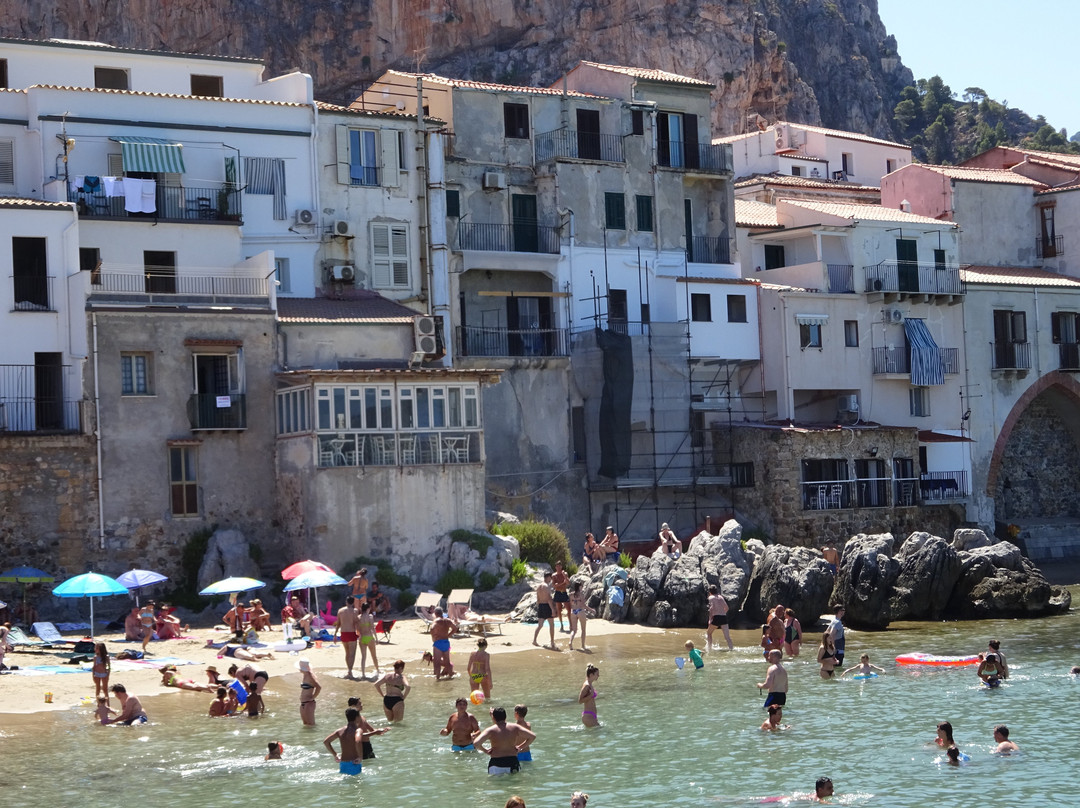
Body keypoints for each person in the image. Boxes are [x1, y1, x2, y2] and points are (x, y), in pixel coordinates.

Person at [473, 705, 536, 775]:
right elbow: (532, 736)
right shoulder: (515, 727)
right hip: (512, 761)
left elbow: (476, 743)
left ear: (493, 717)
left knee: (496, 784)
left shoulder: (490, 730)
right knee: (514, 785)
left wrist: (486, 751)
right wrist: (520, 747)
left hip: (496, 762)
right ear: (505, 717)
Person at [323, 707, 365, 775]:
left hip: (343, 763)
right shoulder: (358, 730)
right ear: (357, 717)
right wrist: (360, 756)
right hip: (354, 762)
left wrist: (335, 754)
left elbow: (326, 742)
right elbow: (358, 741)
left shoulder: (340, 731)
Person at [334, 595, 361, 679]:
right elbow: (356, 622)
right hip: (351, 633)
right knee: (352, 654)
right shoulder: (355, 611)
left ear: (346, 602)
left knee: (347, 653)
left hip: (343, 633)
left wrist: (335, 634)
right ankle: (350, 671)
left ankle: (348, 670)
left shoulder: (340, 611)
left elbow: (338, 623)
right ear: (353, 603)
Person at [532, 572, 557, 650]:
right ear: (548, 577)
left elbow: (538, 599)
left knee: (540, 625)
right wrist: (553, 609)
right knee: (552, 625)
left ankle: (534, 640)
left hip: (541, 606)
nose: (551, 580)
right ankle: (552, 642)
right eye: (551, 578)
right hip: (547, 606)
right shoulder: (546, 586)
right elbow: (549, 599)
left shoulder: (539, 586)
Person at [430, 607, 458, 678]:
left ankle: (438, 678)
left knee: (437, 662)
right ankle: (451, 675)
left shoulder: (436, 620)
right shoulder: (447, 620)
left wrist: (434, 637)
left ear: (435, 614)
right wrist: (448, 635)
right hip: (446, 642)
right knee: (447, 662)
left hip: (438, 642)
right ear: (442, 613)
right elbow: (455, 628)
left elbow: (432, 628)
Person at [357, 600, 380, 679]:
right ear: (368, 609)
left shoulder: (359, 617)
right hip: (369, 637)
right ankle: (378, 670)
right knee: (374, 656)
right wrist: (376, 639)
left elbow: (357, 629)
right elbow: (372, 628)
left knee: (363, 657)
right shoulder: (370, 617)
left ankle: (363, 674)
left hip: (362, 637)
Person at [567, 579, 593, 652]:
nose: (582, 587)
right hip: (580, 611)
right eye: (582, 586)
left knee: (574, 630)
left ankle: (570, 642)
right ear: (579, 587)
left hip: (573, 612)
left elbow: (570, 604)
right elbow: (583, 605)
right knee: (583, 630)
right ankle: (583, 645)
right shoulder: (581, 594)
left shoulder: (571, 594)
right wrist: (591, 610)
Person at [706, 585, 733, 651]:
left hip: (716, 617)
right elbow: (727, 608)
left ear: (710, 592)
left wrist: (710, 619)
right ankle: (731, 649)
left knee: (709, 633)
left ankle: (709, 649)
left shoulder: (710, 598)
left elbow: (711, 609)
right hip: (723, 617)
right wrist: (723, 613)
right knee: (727, 637)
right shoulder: (721, 597)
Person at [297, 658, 320, 726]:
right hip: (303, 703)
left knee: (311, 724)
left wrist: (313, 697)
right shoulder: (306, 675)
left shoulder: (310, 676)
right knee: (305, 724)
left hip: (308, 703)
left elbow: (319, 687)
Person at [551, 560, 570, 630]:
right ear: (555, 567)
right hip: (558, 593)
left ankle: (570, 624)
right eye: (557, 566)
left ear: (561, 566)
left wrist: (565, 577)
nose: (558, 567)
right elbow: (554, 586)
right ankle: (561, 624)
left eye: (559, 566)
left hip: (564, 592)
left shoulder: (565, 573)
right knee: (559, 609)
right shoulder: (554, 575)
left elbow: (568, 583)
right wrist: (562, 583)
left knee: (569, 609)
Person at [208, 641, 274, 662]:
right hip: (246, 646)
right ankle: (266, 654)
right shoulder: (236, 644)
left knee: (245, 655)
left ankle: (252, 658)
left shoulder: (227, 646)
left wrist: (224, 655)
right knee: (256, 653)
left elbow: (218, 654)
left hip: (235, 650)